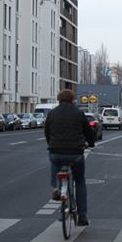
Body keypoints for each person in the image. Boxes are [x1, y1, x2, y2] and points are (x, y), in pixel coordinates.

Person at [44, 88, 95, 225]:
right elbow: (88, 131)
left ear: (59, 99)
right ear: (72, 100)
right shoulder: (79, 113)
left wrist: (51, 144)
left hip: (56, 151)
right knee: (79, 181)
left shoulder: (52, 113)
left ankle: (55, 188)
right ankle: (82, 215)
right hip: (75, 153)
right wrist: (91, 143)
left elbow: (47, 132)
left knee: (54, 161)